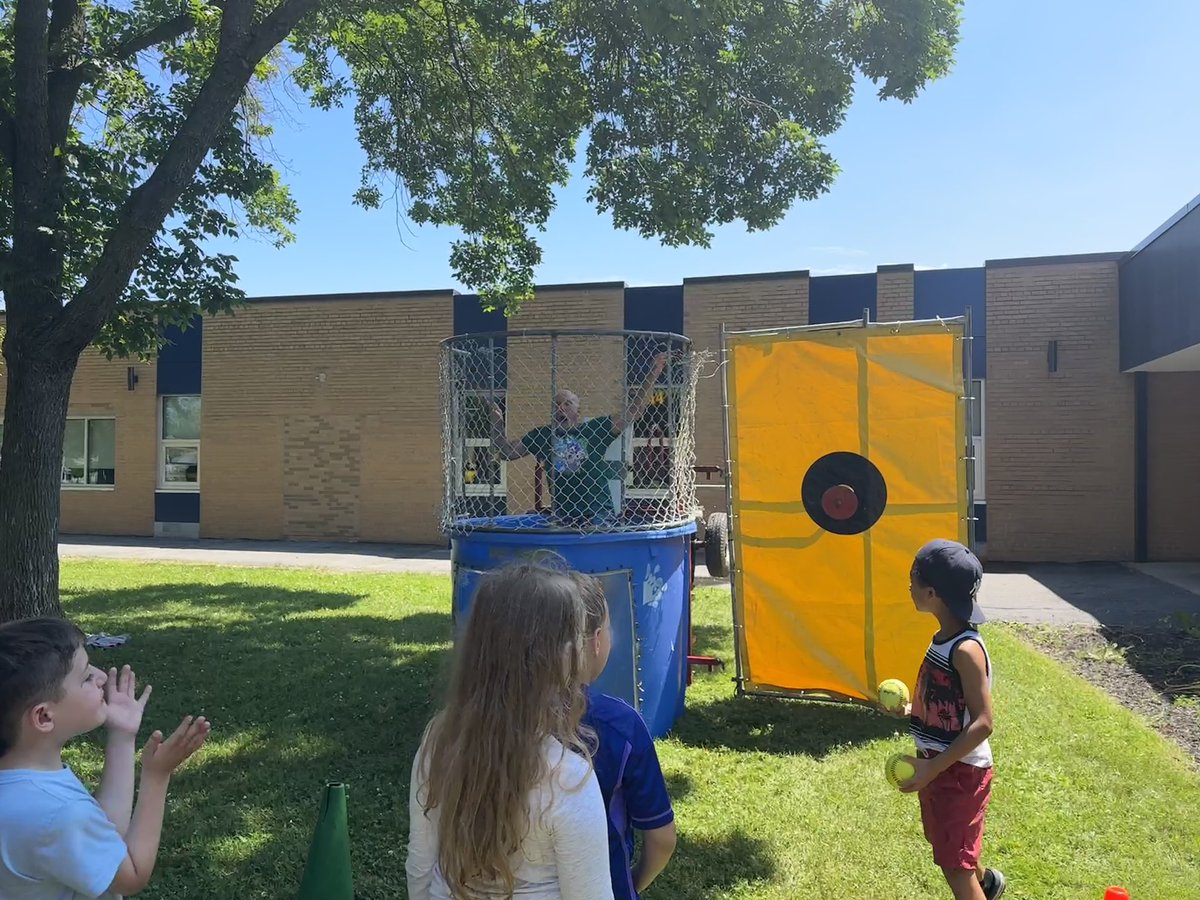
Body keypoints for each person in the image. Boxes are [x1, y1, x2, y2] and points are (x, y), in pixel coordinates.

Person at [405, 562, 614, 900]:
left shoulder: (438, 740)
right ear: (560, 659)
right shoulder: (568, 781)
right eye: (575, 636)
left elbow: (420, 866)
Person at [0, 617, 211, 899]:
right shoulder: (58, 813)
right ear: (44, 716)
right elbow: (129, 876)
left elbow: (105, 834)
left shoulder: (27, 789)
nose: (101, 677)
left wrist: (122, 736)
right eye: (86, 676)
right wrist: (157, 776)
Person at [892, 539, 1005, 900]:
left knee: (954, 866)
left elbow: (984, 722)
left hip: (960, 772)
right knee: (951, 848)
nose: (908, 585)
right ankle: (988, 884)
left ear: (932, 592)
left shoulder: (966, 650)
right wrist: (914, 709)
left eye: (913, 578)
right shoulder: (944, 638)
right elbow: (950, 704)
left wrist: (934, 768)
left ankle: (977, 887)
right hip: (941, 768)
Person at [572, 571, 677, 900]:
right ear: (597, 640)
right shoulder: (619, 725)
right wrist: (630, 884)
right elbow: (661, 839)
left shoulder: (482, 720)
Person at [489, 352, 669, 525]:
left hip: (597, 513)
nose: (561, 409)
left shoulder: (595, 429)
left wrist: (653, 374)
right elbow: (507, 452)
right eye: (557, 405)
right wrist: (496, 421)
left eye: (567, 404)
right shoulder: (542, 435)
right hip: (563, 515)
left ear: (578, 411)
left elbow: (634, 412)